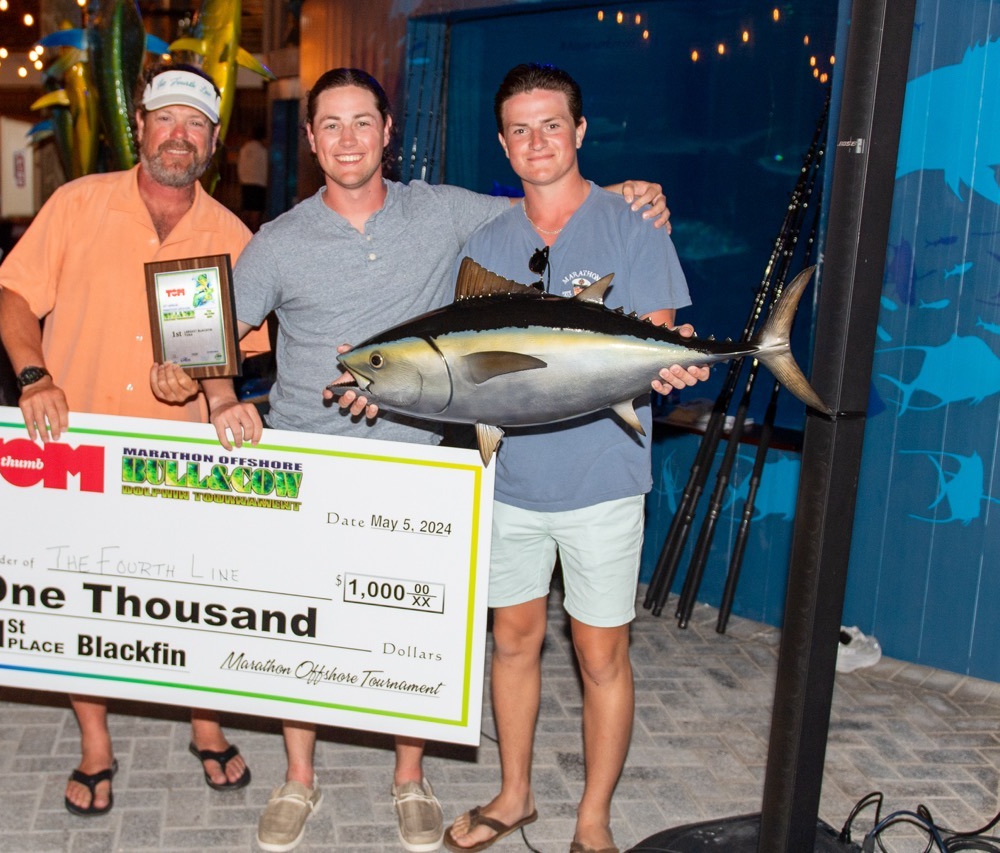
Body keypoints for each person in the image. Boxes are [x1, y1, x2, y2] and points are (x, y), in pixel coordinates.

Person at [188, 67, 674, 853]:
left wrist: (625, 194)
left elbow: (540, 198)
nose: (348, 139)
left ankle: (409, 777)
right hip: (313, 461)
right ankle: (299, 776)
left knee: (407, 625)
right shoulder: (277, 239)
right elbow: (212, 331)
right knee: (302, 626)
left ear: (389, 132)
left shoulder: (442, 210)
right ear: (310, 140)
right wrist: (219, 397)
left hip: (418, 465)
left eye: (363, 122)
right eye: (331, 125)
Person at [0, 63, 269, 818]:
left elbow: (230, 352)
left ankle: (205, 722)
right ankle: (95, 743)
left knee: (196, 597)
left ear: (213, 141)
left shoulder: (234, 237)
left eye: (196, 124)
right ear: (140, 125)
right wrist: (33, 376)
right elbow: (15, 296)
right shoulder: (76, 203)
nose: (179, 136)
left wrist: (204, 387)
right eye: (166, 119)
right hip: (76, 442)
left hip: (178, 457)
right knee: (83, 597)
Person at [440, 63, 698, 853]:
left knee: (600, 652)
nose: (537, 141)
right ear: (502, 143)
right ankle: (514, 794)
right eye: (520, 129)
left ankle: (594, 817)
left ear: (579, 130)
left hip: (603, 477)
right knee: (513, 640)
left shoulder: (634, 225)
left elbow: (655, 339)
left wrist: (672, 361)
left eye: (551, 124)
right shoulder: (486, 246)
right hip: (511, 481)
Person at [237, 127, 269, 229]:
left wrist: (242, 178)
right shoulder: (262, 150)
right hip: (259, 183)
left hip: (246, 182)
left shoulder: (245, 148)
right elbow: (265, 167)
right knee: (256, 211)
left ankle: (243, 230)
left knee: (246, 209)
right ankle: (253, 232)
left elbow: (240, 165)